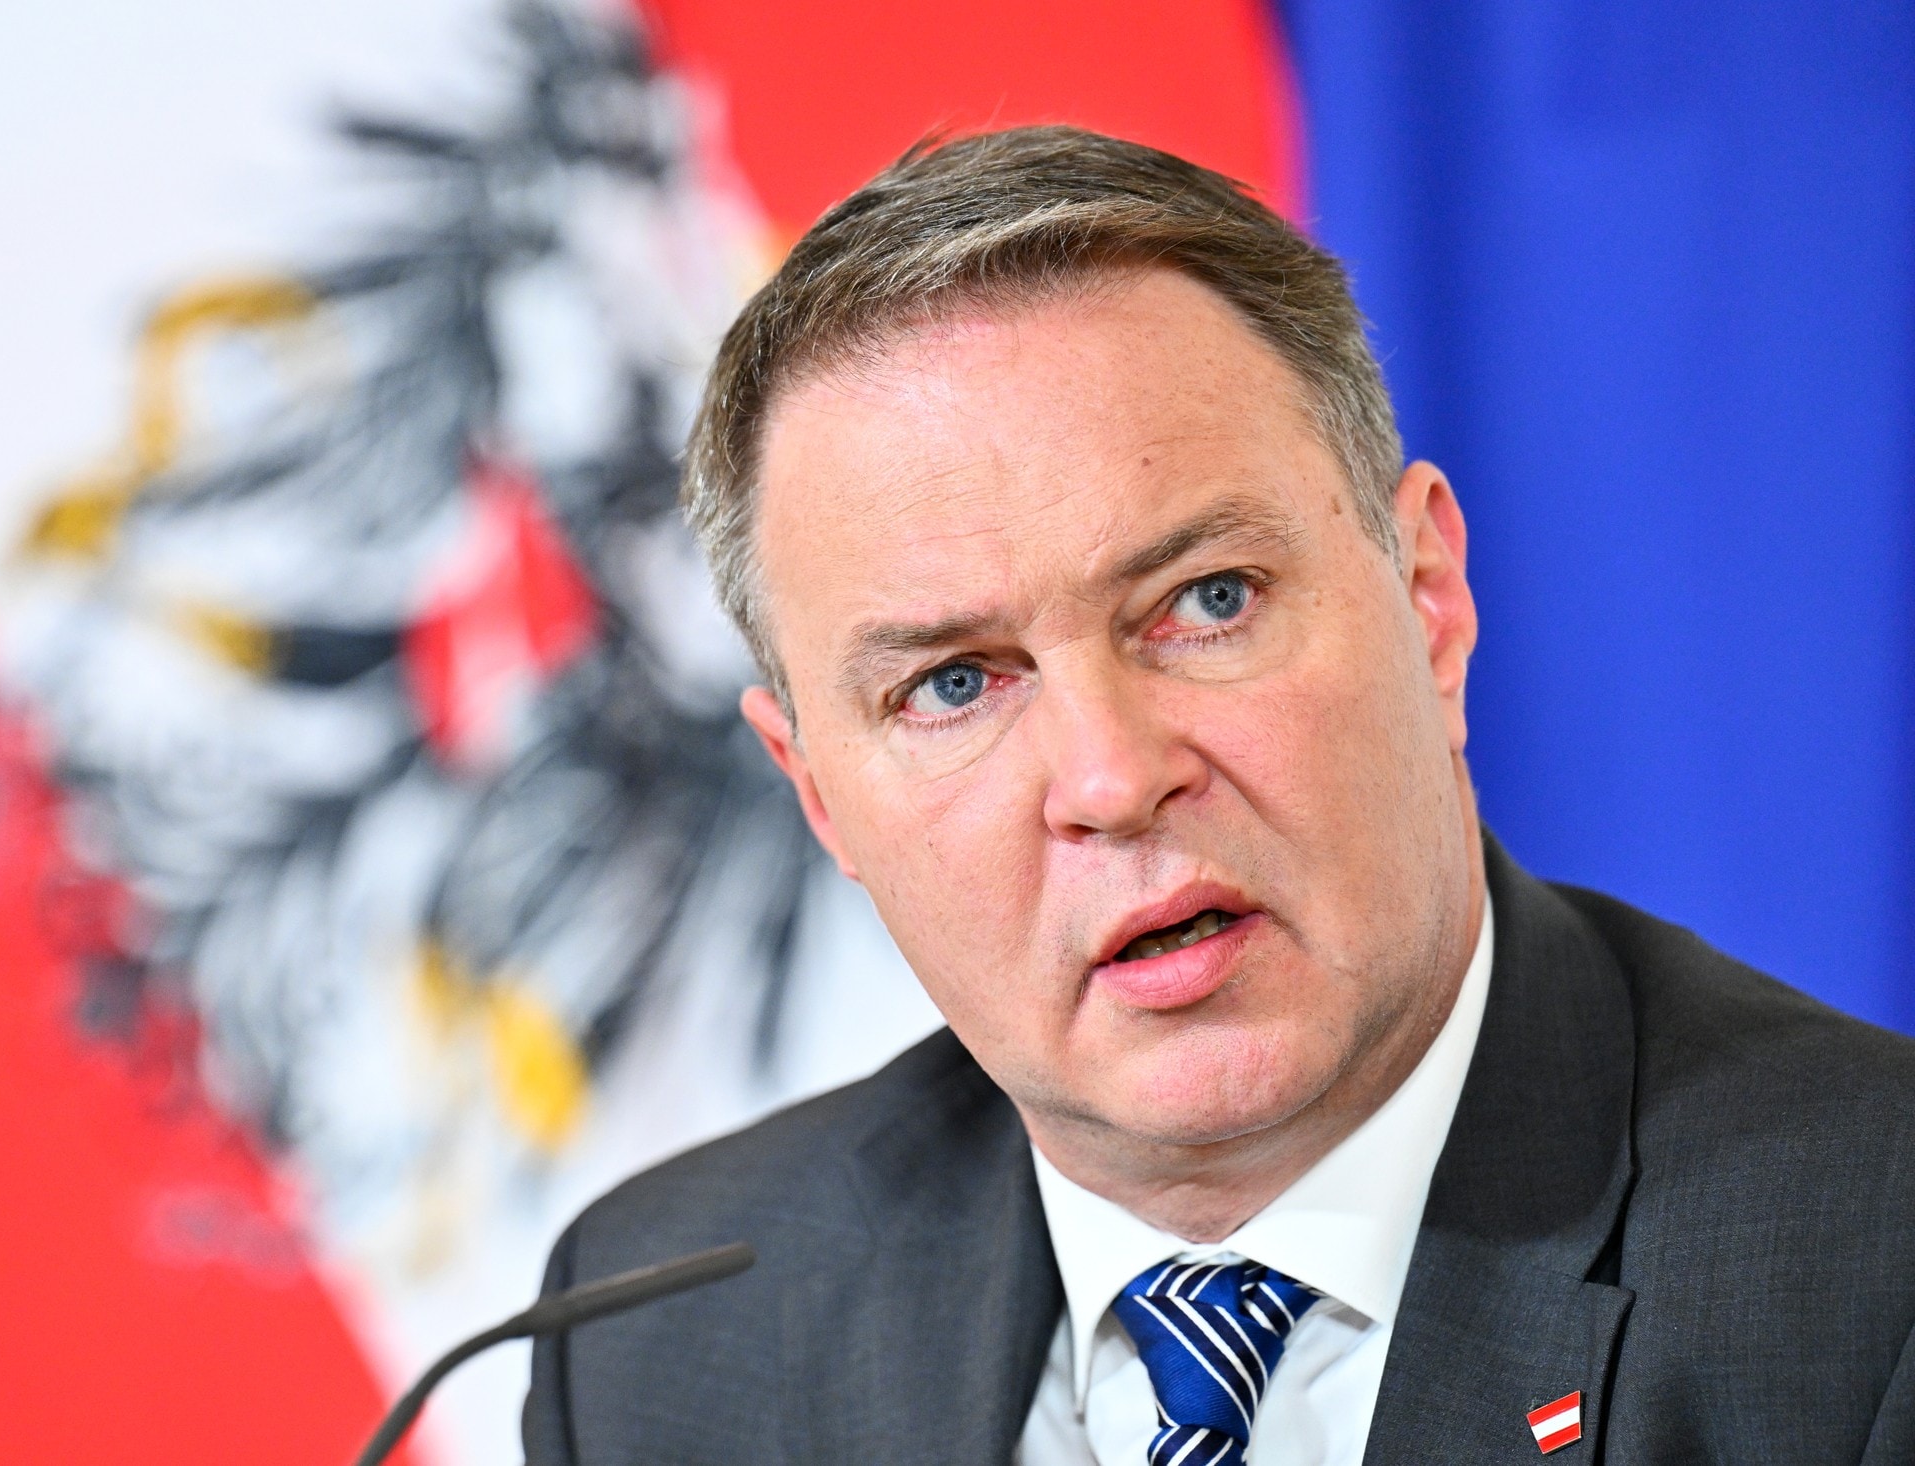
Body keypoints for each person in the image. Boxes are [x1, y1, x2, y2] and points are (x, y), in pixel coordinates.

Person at [520, 127, 1915, 1465]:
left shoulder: (1869, 1277)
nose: (1114, 779)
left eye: (1208, 601)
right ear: (820, 797)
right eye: (952, 684)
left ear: (1429, 602)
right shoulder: (658, 1345)